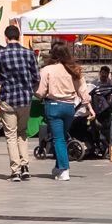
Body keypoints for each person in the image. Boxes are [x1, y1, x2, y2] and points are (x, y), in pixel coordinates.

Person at [0, 25, 40, 182]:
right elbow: (37, 77)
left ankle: (15, 170)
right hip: (24, 99)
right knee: (22, 133)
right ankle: (25, 166)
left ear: (6, 37)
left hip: (7, 99)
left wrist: (3, 80)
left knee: (10, 135)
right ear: (18, 37)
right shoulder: (28, 54)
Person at [36, 41, 84, 182]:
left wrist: (35, 93)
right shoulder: (73, 69)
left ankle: (64, 169)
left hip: (54, 105)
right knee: (62, 137)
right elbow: (82, 89)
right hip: (69, 107)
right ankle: (58, 167)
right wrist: (89, 105)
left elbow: (40, 92)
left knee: (58, 139)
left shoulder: (47, 70)